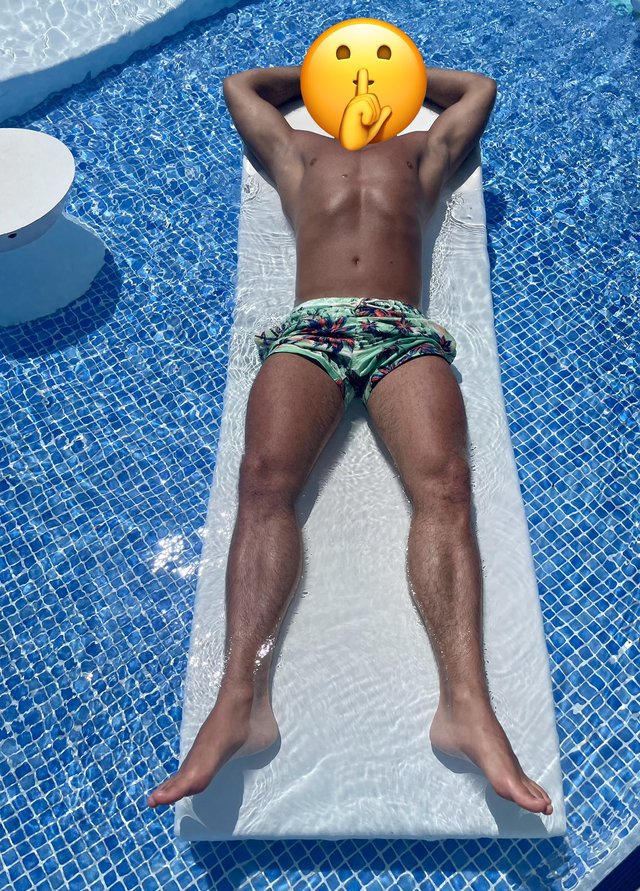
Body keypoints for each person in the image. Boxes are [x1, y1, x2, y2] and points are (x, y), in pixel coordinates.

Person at [147, 63, 554, 816]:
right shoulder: (298, 153)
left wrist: (401, 70)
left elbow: (480, 91)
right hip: (313, 326)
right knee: (263, 483)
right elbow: (239, 87)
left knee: (447, 490)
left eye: (376, 81)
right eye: (350, 79)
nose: (362, 87)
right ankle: (240, 701)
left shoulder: (422, 152)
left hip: (401, 328)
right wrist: (318, 70)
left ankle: (465, 707)